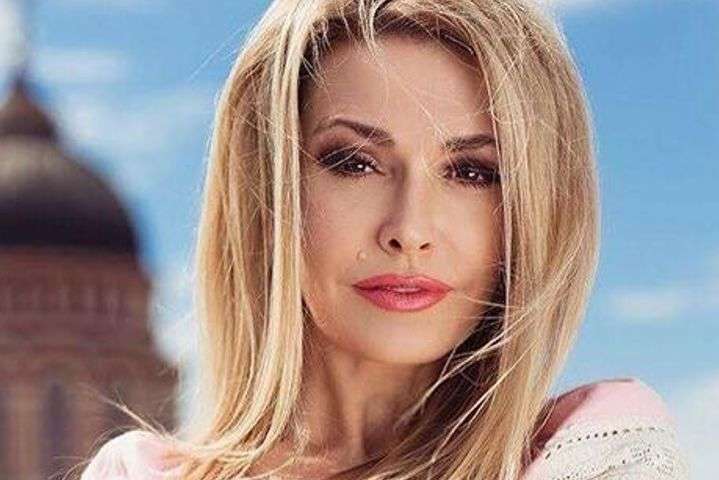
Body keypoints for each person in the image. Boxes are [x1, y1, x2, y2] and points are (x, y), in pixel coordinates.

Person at [75, 0, 691, 479]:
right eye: (354, 163)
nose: (409, 231)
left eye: (472, 172)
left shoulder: (597, 451)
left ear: (536, 208)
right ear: (269, 189)